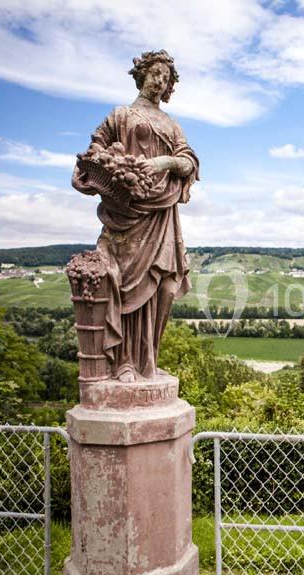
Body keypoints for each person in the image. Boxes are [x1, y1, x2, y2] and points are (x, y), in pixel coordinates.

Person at [72, 50, 198, 382]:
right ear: (142, 74)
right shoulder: (120, 116)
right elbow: (93, 152)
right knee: (124, 287)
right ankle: (124, 361)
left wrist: (165, 162)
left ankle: (148, 360)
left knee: (165, 288)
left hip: (161, 217)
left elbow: (189, 163)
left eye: (166, 77)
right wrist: (93, 172)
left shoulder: (171, 125)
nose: (161, 80)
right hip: (126, 214)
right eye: (156, 73)